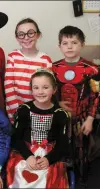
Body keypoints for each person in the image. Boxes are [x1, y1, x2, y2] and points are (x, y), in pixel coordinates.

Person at [52, 25, 100, 186]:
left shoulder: (92, 70)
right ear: (59, 46)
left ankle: (82, 180)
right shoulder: (53, 68)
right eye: (65, 43)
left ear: (82, 44)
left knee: (82, 152)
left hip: (82, 119)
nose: (70, 46)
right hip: (59, 120)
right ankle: (60, 177)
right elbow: (48, 92)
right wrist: (56, 103)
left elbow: (96, 96)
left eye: (74, 42)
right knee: (60, 149)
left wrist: (90, 119)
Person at [6, 68, 70, 188]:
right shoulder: (24, 110)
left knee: (51, 174)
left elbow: (63, 143)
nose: (40, 92)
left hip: (50, 153)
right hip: (26, 151)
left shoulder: (60, 114)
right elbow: (16, 138)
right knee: (21, 169)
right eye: (36, 88)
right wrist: (28, 156)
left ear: (54, 89)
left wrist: (48, 159)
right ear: (31, 90)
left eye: (45, 87)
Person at [4, 18, 52, 124]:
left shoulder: (45, 60)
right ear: (17, 38)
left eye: (30, 33)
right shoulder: (13, 56)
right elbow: (9, 87)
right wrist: (18, 112)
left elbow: (47, 89)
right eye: (21, 34)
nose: (26, 37)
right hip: (15, 113)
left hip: (38, 113)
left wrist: (36, 112)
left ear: (38, 35)